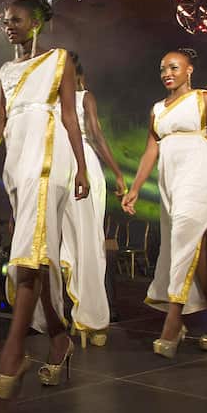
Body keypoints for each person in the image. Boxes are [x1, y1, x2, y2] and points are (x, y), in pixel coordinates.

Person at [0, 0, 90, 398]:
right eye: (5, 21)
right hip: (18, 163)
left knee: (28, 259)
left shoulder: (60, 61)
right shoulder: (5, 71)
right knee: (37, 256)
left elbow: (71, 116)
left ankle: (13, 355)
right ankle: (59, 339)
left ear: (35, 22)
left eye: (15, 19)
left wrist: (83, 167)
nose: (8, 25)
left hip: (49, 159)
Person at [123, 49, 207, 358]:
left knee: (184, 238)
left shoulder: (203, 99)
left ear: (189, 70)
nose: (167, 72)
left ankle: (173, 321)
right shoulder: (157, 109)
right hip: (171, 180)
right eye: (163, 68)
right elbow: (150, 150)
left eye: (174, 67)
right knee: (195, 248)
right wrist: (136, 187)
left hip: (200, 171)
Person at [61, 53, 126, 347]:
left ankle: (96, 318)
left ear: (78, 73)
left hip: (84, 165)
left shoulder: (84, 96)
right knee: (70, 244)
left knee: (89, 242)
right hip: (61, 169)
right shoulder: (51, 102)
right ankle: (80, 315)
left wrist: (117, 174)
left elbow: (97, 135)